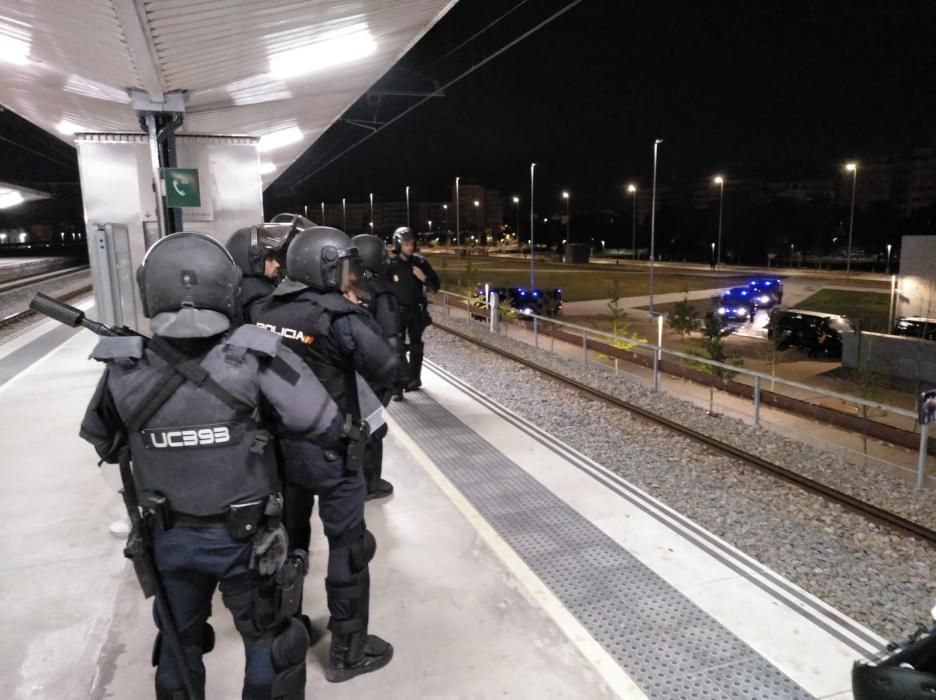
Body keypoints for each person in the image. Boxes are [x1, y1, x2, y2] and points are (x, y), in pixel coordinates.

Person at [79, 232, 342, 700]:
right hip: (250, 543)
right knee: (271, 647)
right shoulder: (255, 355)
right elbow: (322, 422)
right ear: (228, 288)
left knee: (178, 648)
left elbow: (103, 440)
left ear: (149, 292)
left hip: (169, 539)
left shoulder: (124, 366)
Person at [250, 226, 398, 682]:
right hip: (332, 453)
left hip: (279, 454)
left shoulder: (263, 310)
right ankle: (348, 652)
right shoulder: (339, 318)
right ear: (329, 266)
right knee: (347, 547)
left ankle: (288, 629)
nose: (352, 275)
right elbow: (387, 369)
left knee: (287, 543)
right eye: (347, 266)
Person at [351, 233, 404, 500]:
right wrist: (394, 378)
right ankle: (370, 484)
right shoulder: (382, 292)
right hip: (374, 373)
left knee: (356, 427)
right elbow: (391, 337)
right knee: (373, 428)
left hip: (353, 370)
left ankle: (358, 478)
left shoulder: (351, 287)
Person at [225, 214, 312, 325]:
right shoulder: (256, 297)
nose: (276, 264)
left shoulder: (240, 290)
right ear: (254, 260)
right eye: (270, 258)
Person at [388, 226, 440, 396]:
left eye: (411, 243)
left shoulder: (420, 262)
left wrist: (423, 277)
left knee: (416, 346)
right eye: (406, 244)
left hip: (416, 312)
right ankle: (398, 387)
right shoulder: (391, 265)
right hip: (398, 313)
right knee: (398, 348)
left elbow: (435, 286)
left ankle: (414, 380)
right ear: (398, 245)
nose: (410, 247)